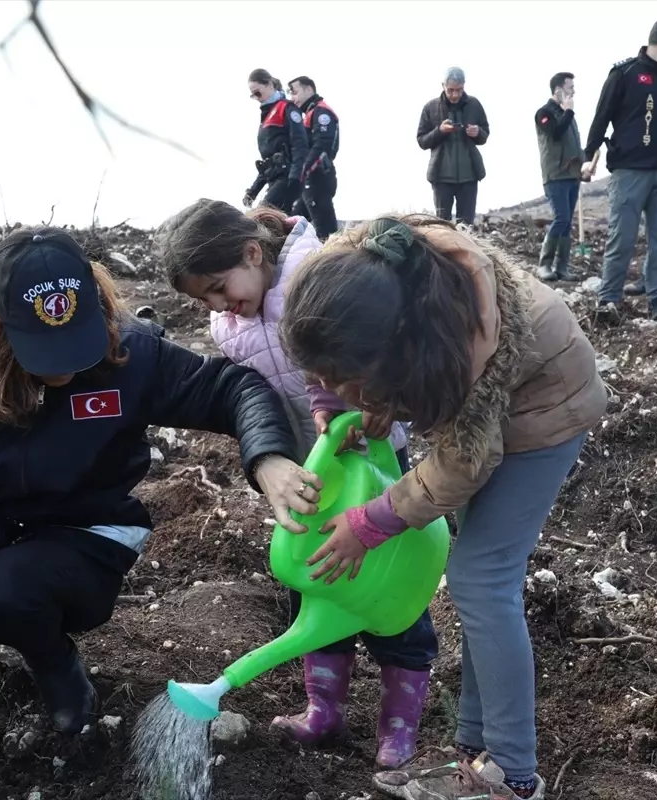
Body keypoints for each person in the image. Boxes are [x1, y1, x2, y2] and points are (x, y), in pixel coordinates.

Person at [0, 226, 318, 792]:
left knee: (0, 593)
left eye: (77, 342)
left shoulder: (130, 353)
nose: (65, 367)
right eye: (45, 352)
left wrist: (266, 457)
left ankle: (56, 665)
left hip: (83, 537)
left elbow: (234, 388)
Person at [279, 216, 607, 799]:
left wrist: (371, 521)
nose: (336, 381)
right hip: (483, 395)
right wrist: (337, 397)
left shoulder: (459, 334)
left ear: (397, 346)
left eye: (350, 373)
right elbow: (327, 352)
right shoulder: (345, 278)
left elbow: (462, 463)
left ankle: (511, 774)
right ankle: (473, 751)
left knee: (483, 580)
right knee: (479, 579)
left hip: (546, 407)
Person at [156, 199, 437, 768]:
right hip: (315, 467)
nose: (217, 304)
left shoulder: (317, 276)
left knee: (389, 586)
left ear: (253, 252)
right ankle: (324, 712)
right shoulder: (229, 325)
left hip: (376, 460)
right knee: (313, 581)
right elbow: (253, 395)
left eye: (218, 286)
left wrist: (371, 406)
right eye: (203, 299)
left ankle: (399, 725)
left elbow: (381, 342)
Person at [582, 16, 657, 321]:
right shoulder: (625, 73)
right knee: (621, 237)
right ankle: (609, 300)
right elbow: (602, 115)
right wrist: (589, 154)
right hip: (629, 171)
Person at [417, 68, 490, 226]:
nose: (455, 95)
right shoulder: (430, 107)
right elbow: (422, 140)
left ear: (464, 85)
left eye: (459, 90)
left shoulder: (475, 105)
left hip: (469, 176)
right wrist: (440, 131)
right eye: (451, 90)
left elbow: (485, 134)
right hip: (441, 177)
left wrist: (478, 132)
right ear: (443, 86)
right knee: (443, 226)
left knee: (466, 226)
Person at [533, 72, 584, 282]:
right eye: (570, 87)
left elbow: (572, 144)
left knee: (567, 221)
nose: (573, 91)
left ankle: (562, 267)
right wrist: (569, 112)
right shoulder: (544, 113)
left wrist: (585, 164)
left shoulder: (568, 115)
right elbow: (555, 133)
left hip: (572, 175)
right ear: (558, 90)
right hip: (555, 174)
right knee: (561, 218)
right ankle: (544, 264)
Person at [243, 69, 308, 214]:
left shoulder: (287, 109)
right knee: (274, 225)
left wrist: (296, 177)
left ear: (270, 85)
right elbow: (268, 162)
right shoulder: (266, 118)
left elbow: (300, 144)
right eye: (253, 95)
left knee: (262, 217)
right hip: (274, 178)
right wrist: (253, 191)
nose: (257, 97)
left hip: (288, 177)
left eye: (258, 92)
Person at [287, 76, 340, 240]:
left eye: (294, 92)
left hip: (318, 176)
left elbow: (322, 146)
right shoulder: (310, 113)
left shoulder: (321, 112)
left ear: (308, 89)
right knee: (294, 224)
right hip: (310, 179)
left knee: (324, 228)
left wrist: (301, 171)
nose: (292, 98)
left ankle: (333, 261)